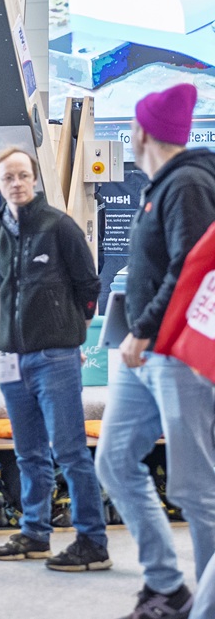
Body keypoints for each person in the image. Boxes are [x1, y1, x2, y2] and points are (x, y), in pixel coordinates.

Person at [95, 83, 215, 619]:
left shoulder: (188, 184)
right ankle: (168, 586)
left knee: (198, 491)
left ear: (141, 132)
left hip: (175, 355)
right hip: (142, 354)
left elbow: (190, 268)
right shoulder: (162, 186)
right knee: (115, 460)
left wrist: (143, 329)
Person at [0, 147, 109, 570]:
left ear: (34, 179)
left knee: (71, 452)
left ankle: (92, 541)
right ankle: (34, 533)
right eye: (8, 177)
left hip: (55, 357)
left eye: (23, 175)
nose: (17, 183)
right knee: (28, 453)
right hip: (11, 358)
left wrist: (68, 331)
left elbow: (88, 284)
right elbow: (7, 292)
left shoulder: (59, 226)